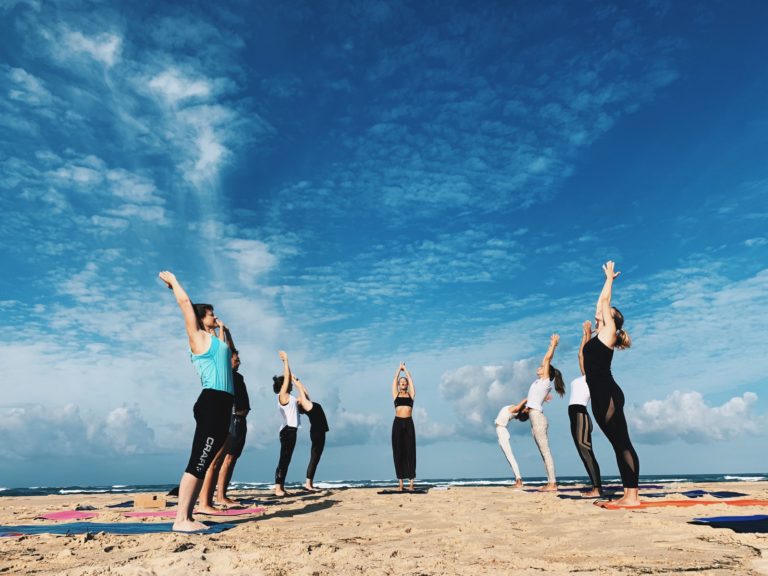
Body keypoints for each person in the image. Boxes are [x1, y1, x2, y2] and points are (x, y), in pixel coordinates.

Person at [158, 271, 233, 532]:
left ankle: (188, 516)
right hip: (212, 402)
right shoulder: (199, 338)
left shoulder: (214, 339)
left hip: (223, 403)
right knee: (199, 460)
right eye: (211, 314)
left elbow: (227, 356)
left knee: (206, 458)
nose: (215, 316)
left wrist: (222, 330)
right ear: (201, 318)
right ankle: (181, 519)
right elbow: (185, 305)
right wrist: (175, 283)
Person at [583, 260, 639, 507]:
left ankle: (633, 497)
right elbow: (600, 305)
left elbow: (604, 303)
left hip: (608, 394)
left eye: (607, 313)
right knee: (618, 445)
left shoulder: (609, 333)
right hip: (600, 394)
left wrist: (608, 279)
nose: (601, 311)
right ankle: (628, 493)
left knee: (622, 442)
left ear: (612, 320)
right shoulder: (598, 335)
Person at [525, 334, 565, 491]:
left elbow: (547, 359)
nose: (540, 367)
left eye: (542, 367)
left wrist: (553, 345)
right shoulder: (538, 383)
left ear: (547, 371)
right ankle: (550, 482)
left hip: (538, 418)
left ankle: (553, 483)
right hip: (534, 417)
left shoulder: (545, 380)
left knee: (545, 451)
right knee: (543, 452)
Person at [568, 320, 603, 497]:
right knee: (583, 452)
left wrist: (589, 334)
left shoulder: (594, 377)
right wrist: (585, 335)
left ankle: (597, 489)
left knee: (585, 449)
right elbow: (581, 355)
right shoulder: (585, 376)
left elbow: (584, 354)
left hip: (581, 413)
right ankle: (595, 487)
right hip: (575, 415)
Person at [215, 348, 250, 505]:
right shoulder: (226, 374)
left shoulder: (238, 376)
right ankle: (220, 496)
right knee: (227, 459)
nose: (239, 362)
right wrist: (224, 332)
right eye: (236, 359)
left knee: (233, 459)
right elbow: (224, 349)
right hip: (233, 418)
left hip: (241, 420)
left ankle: (224, 494)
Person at [292, 374, 330, 491]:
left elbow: (304, 390)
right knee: (314, 457)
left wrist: (297, 379)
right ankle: (308, 484)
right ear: (300, 404)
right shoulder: (307, 406)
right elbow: (300, 390)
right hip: (317, 433)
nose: (298, 397)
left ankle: (309, 483)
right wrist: (294, 380)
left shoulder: (308, 404)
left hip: (319, 432)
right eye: (298, 399)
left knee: (316, 457)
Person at [274, 350, 298, 496]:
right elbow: (287, 378)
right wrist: (286, 361)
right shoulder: (282, 395)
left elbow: (289, 377)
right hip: (288, 430)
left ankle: (280, 487)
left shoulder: (289, 396)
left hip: (291, 430)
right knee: (284, 458)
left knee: (287, 459)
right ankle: (278, 488)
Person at [391, 362, 416, 491]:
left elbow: (410, 379)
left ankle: (411, 483)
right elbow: (394, 380)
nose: (403, 383)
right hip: (397, 423)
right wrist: (398, 369)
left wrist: (405, 369)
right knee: (398, 452)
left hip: (409, 423)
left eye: (404, 382)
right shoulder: (396, 395)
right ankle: (400, 484)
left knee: (410, 451)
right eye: (401, 382)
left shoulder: (411, 395)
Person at [494, 399, 529, 487]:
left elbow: (524, 401)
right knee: (509, 458)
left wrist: (532, 397)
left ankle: (519, 480)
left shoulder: (515, 410)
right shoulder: (515, 411)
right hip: (501, 432)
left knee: (510, 457)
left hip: (502, 431)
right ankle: (518, 480)